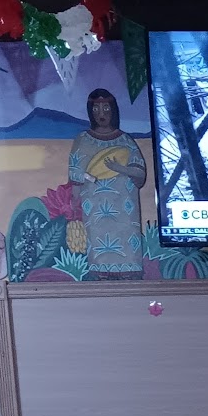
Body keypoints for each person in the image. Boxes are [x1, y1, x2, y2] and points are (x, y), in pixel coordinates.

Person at [68, 87, 146, 280]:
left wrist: (119, 169)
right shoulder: (83, 140)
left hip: (124, 209)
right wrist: (75, 204)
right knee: (98, 249)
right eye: (96, 109)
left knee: (126, 244)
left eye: (106, 108)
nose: (101, 114)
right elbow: (75, 173)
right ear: (90, 112)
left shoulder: (125, 141)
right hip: (94, 208)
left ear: (113, 110)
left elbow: (139, 173)